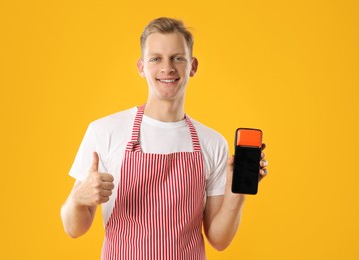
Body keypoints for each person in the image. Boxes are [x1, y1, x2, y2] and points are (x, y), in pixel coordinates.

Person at [61, 17, 268, 259]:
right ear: (141, 67)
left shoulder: (212, 143)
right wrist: (77, 199)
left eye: (178, 58)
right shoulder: (105, 131)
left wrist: (237, 193)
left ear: (193, 66)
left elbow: (219, 240)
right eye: (156, 58)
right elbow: (74, 229)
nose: (167, 68)